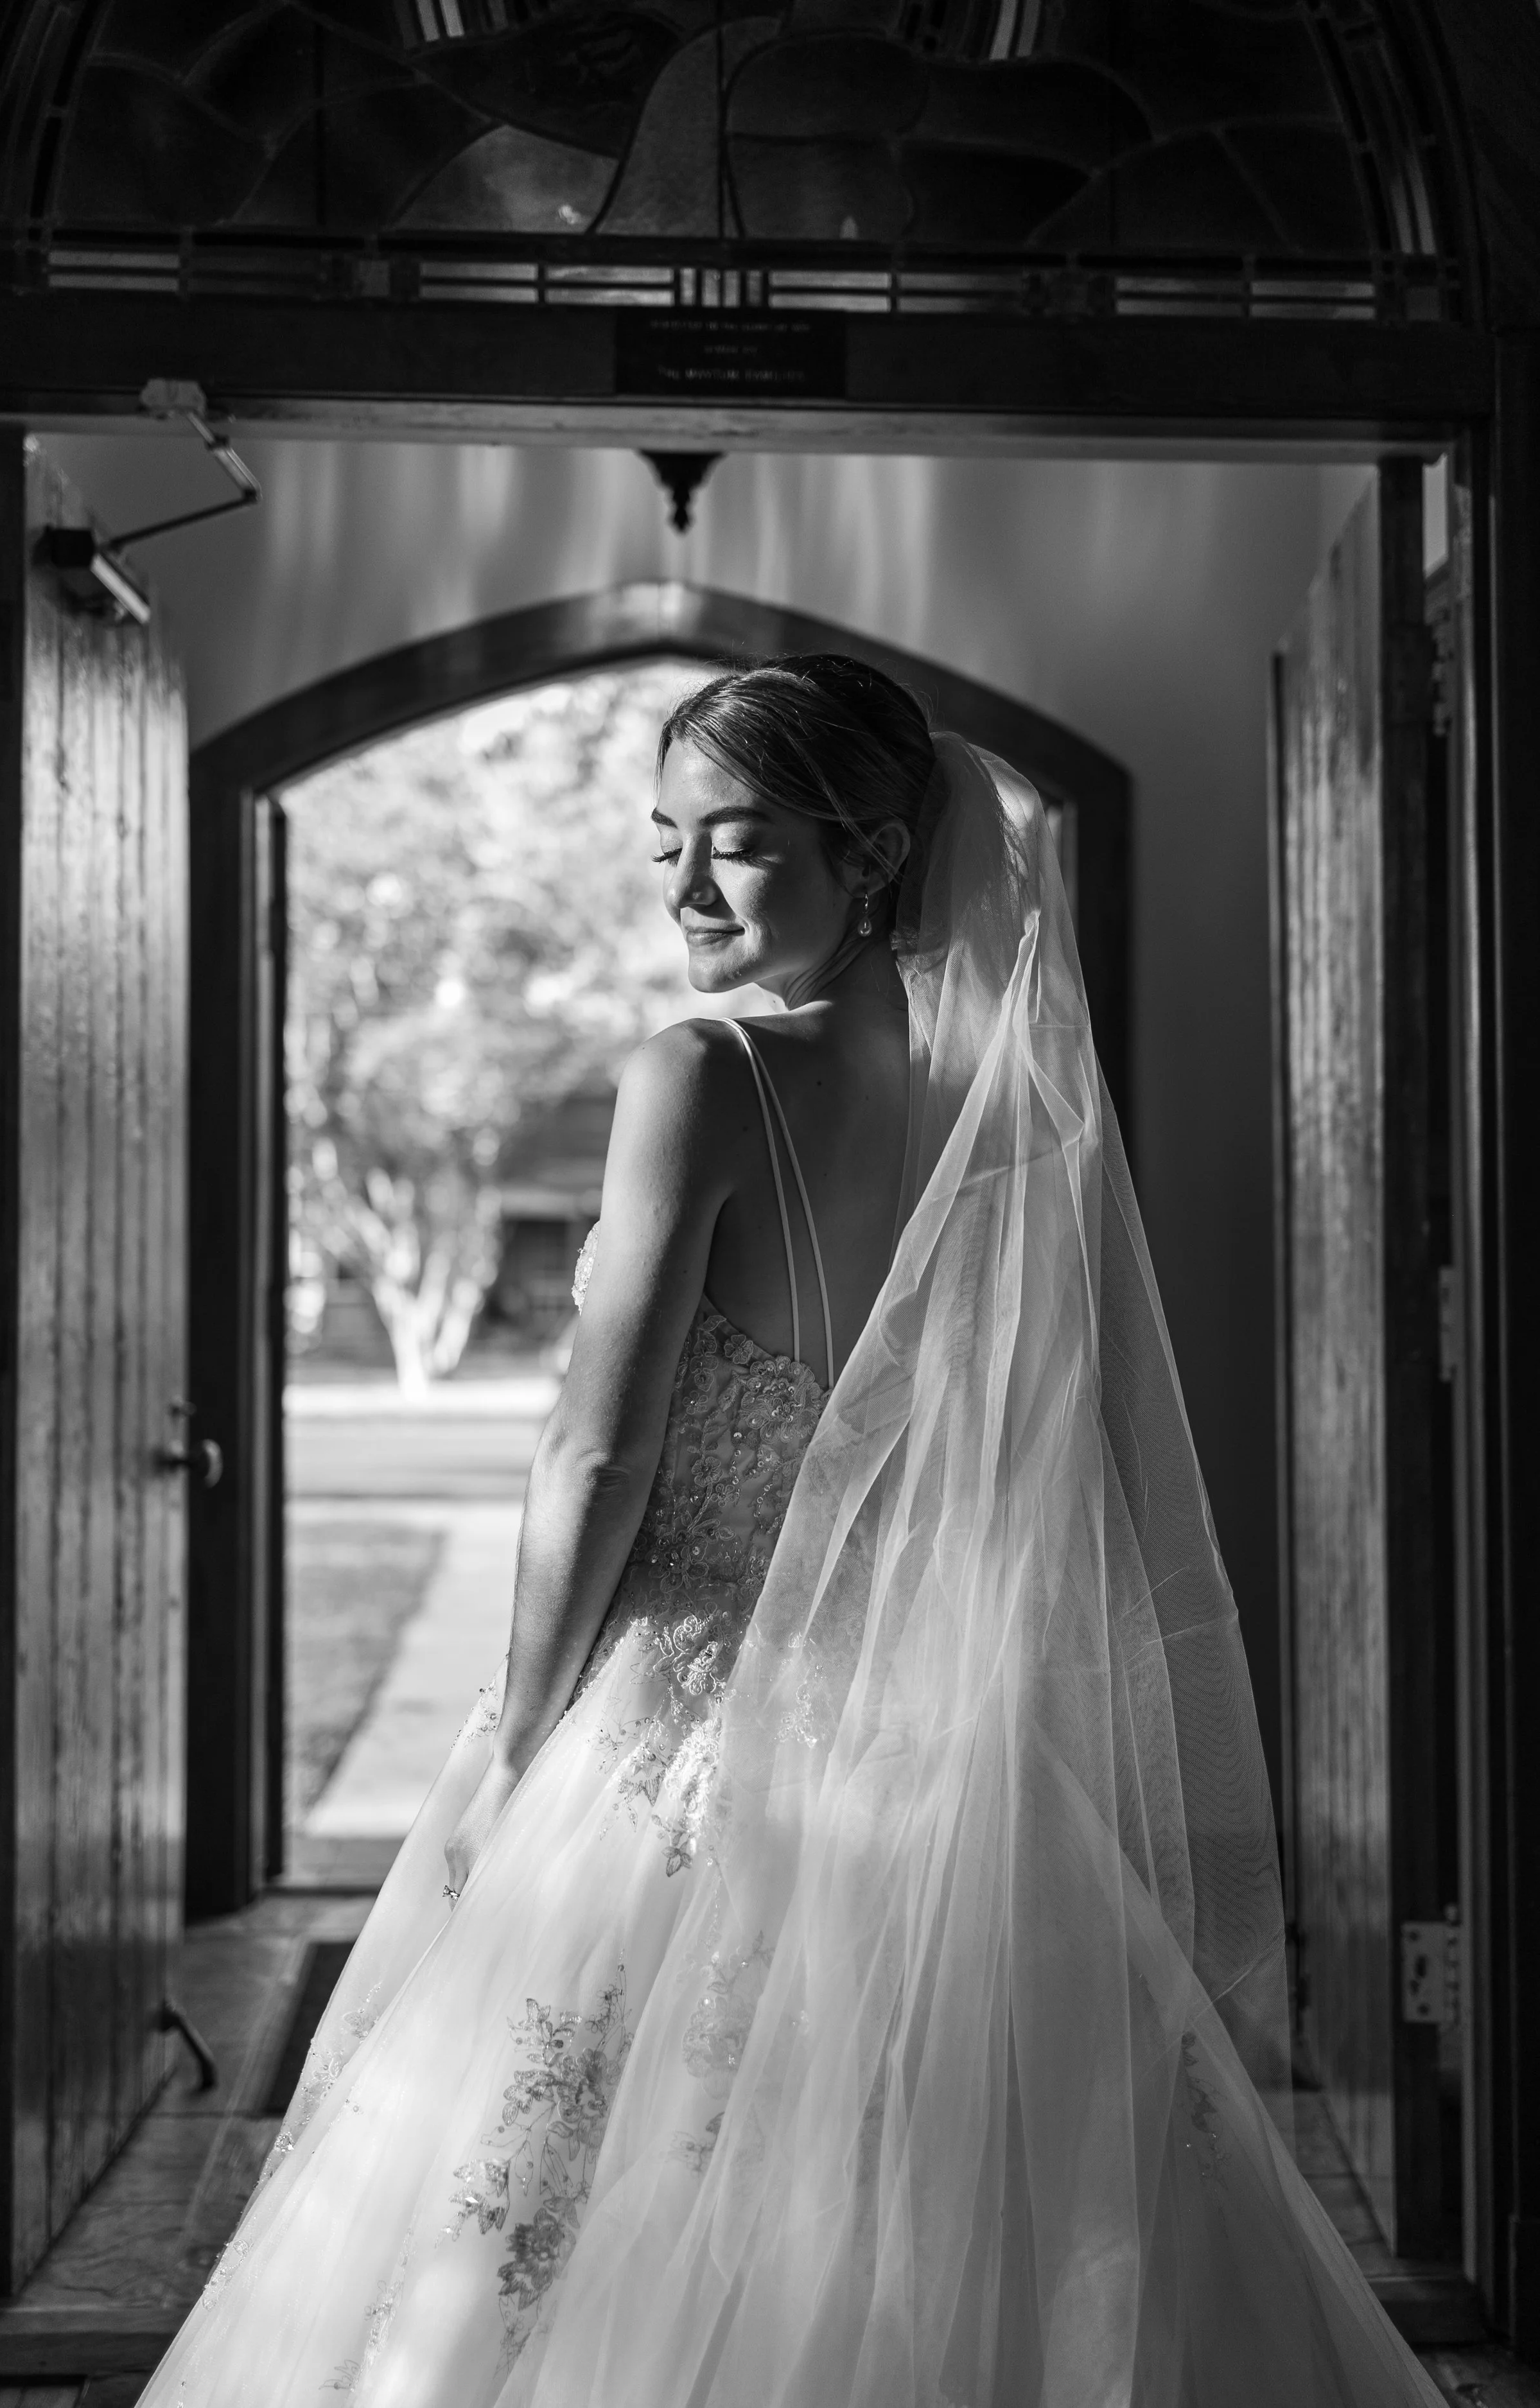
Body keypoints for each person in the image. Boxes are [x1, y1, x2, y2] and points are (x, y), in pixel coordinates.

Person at [141, 658, 1442, 2406]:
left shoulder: (699, 1072)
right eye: (663, 840)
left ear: (877, 852)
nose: (681, 887)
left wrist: (524, 1736)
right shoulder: (1009, 1115)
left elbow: (598, 1452)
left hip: (668, 1719)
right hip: (930, 1744)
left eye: (734, 844)